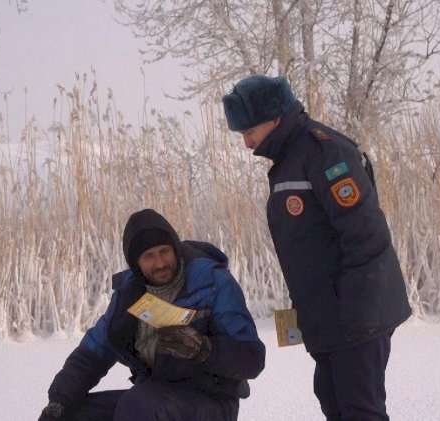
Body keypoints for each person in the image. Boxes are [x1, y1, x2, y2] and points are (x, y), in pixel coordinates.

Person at [222, 75, 411, 420]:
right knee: (332, 401)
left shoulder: (326, 153)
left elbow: (366, 237)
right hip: (328, 317)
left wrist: (357, 317)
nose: (247, 143)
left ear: (274, 117)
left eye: (249, 132)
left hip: (356, 315)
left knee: (360, 411)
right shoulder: (289, 159)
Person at [39, 208, 266, 420]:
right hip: (154, 394)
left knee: (138, 405)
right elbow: (90, 355)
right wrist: (59, 400)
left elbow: (252, 358)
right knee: (73, 414)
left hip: (212, 399)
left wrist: (204, 350)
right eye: (148, 256)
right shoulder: (128, 297)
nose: (160, 263)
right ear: (135, 262)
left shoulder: (212, 283)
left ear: (175, 249)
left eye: (164, 252)